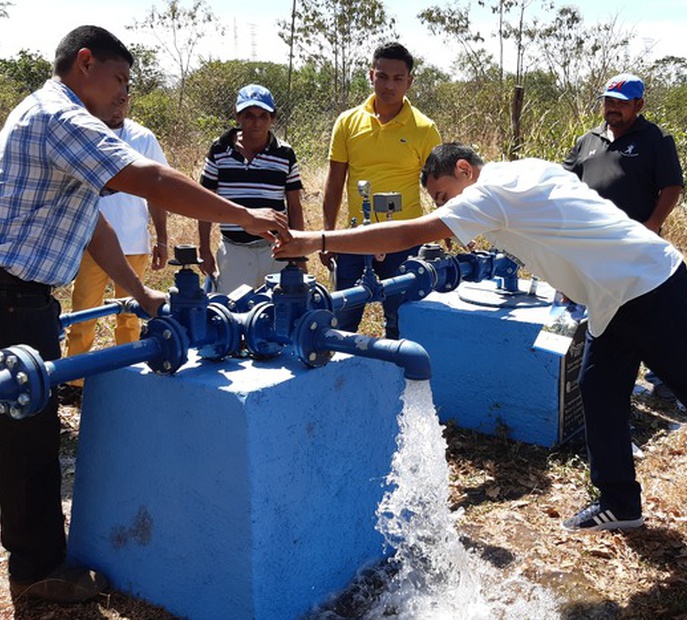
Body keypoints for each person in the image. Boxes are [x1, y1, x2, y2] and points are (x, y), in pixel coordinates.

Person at [273, 142, 687, 567]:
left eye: (444, 193)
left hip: (645, 287)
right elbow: (574, 215)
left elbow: (407, 236)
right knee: (600, 388)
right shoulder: (528, 169)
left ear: (465, 169)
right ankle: (620, 502)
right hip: (613, 295)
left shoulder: (485, 193)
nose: (448, 209)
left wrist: (316, 241)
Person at [0, 25, 287, 603]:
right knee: (29, 435)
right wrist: (247, 216)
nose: (124, 95)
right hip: (12, 296)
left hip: (23, 294)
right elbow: (151, 178)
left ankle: (27, 550)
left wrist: (140, 292)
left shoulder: (58, 122)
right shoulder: (61, 118)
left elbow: (94, 225)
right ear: (86, 63)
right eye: (120, 80)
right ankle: (37, 570)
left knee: (21, 429)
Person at [564, 72, 684, 400]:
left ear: (639, 104)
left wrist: (653, 223)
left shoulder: (655, 139)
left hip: (636, 244)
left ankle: (663, 378)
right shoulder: (588, 140)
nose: (613, 108)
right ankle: (607, 373)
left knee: (648, 310)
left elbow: (671, 186)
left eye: (621, 102)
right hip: (591, 244)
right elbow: (563, 183)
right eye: (608, 101)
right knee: (601, 308)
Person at [320, 41, 441, 338]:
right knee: (342, 324)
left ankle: (403, 383)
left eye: (398, 78)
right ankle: (340, 380)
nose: (389, 85)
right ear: (371, 75)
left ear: (409, 82)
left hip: (406, 239)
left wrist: (445, 230)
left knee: (403, 324)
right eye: (383, 76)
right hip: (355, 238)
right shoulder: (347, 122)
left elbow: (440, 185)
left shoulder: (424, 129)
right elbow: (335, 182)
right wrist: (328, 234)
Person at [61, 94, 169, 405]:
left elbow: (158, 190)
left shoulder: (142, 137)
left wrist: (161, 238)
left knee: (130, 314)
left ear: (130, 102)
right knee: (83, 312)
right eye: (114, 98)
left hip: (134, 242)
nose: (117, 105)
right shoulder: (86, 134)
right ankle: (73, 381)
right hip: (92, 242)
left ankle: (129, 375)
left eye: (123, 100)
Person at [198, 84, 305, 293]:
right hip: (234, 249)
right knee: (233, 316)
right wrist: (204, 249)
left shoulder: (284, 153)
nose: (256, 122)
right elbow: (206, 202)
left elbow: (294, 205)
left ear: (272, 119)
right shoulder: (220, 150)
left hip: (274, 249)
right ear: (237, 116)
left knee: (279, 312)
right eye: (249, 115)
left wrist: (298, 250)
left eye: (263, 116)